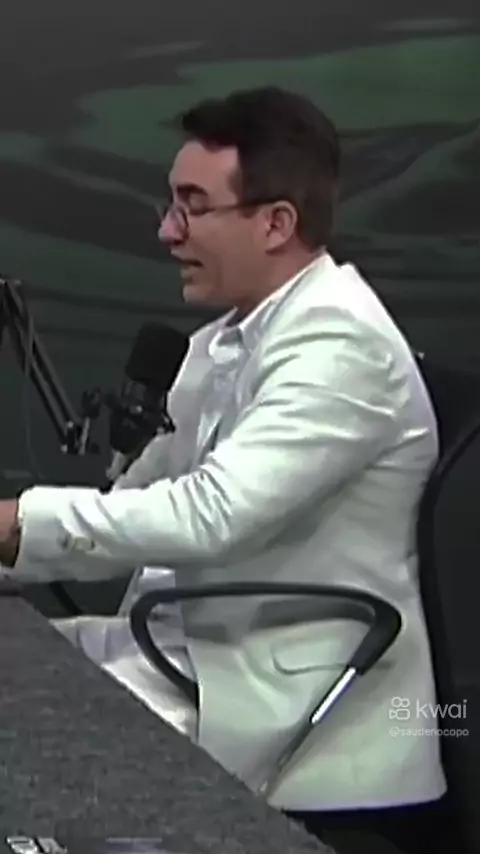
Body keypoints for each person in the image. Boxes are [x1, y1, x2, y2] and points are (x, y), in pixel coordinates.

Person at [0, 87, 449, 851]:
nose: (166, 229)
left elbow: (209, 516)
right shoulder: (224, 342)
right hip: (186, 654)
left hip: (278, 704)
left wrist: (14, 525)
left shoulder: (341, 346)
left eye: (193, 205)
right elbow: (138, 500)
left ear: (276, 223)